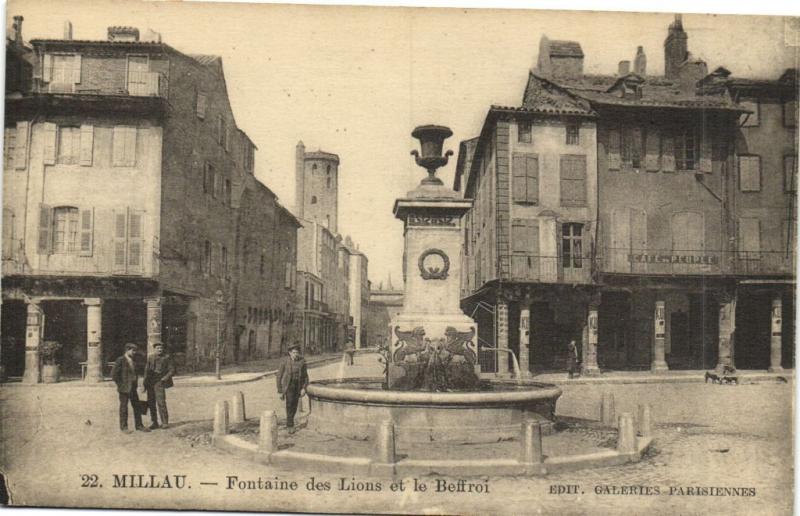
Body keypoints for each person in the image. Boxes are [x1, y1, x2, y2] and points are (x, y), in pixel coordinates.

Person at [111, 343, 149, 433]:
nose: (134, 352)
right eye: (133, 350)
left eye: (135, 350)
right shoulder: (120, 360)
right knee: (124, 408)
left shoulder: (134, 360)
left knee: (137, 407)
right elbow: (113, 375)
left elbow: (136, 373)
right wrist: (121, 385)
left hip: (133, 388)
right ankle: (124, 427)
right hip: (124, 389)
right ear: (127, 350)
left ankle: (139, 425)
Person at [276, 344, 309, 434]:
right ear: (290, 353)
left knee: (295, 405)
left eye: (297, 352)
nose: (295, 354)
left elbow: (306, 376)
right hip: (288, 386)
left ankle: (290, 421)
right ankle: (290, 424)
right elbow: (279, 376)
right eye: (294, 352)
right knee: (289, 404)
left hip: (297, 386)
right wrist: (279, 390)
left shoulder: (302, 361)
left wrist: (304, 388)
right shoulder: (285, 361)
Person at [144, 342, 176, 430]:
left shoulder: (166, 358)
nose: (159, 350)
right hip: (150, 383)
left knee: (161, 402)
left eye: (161, 348)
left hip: (159, 382)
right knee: (151, 403)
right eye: (158, 348)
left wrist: (164, 378)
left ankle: (165, 422)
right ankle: (154, 422)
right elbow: (146, 371)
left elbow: (172, 370)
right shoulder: (150, 357)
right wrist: (144, 384)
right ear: (154, 349)